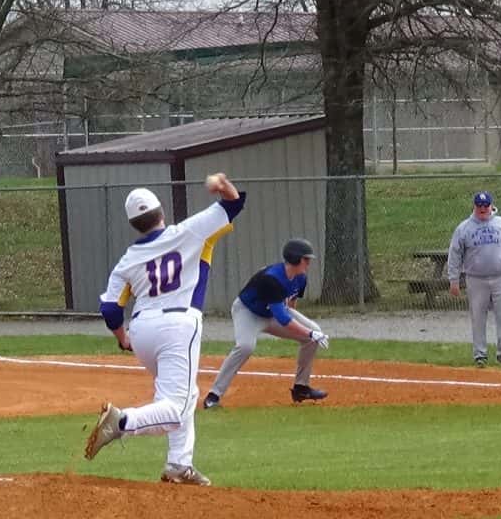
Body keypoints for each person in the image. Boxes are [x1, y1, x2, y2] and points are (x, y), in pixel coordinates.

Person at [84, 173, 246, 486]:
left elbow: (110, 310)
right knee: (175, 410)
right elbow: (232, 204)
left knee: (185, 394)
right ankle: (122, 421)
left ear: (134, 224)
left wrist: (123, 339)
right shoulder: (189, 231)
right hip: (178, 325)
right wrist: (222, 184)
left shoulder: (127, 260)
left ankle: (178, 466)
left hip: (142, 330)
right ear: (161, 212)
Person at [202, 238, 330, 410]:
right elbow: (283, 319)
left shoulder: (301, 278)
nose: (308, 263)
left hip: (273, 312)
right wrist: (309, 333)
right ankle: (214, 395)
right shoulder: (272, 279)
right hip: (248, 312)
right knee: (245, 346)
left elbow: (290, 306)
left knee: (313, 331)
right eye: (305, 259)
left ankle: (301, 388)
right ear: (295, 259)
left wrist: (308, 333)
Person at [447, 191, 501, 367]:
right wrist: (453, 280)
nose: (482, 209)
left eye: (485, 205)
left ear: (491, 206)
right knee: (478, 317)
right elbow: (455, 254)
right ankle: (480, 354)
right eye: (479, 206)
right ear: (474, 206)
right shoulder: (464, 228)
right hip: (475, 279)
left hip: (500, 276)